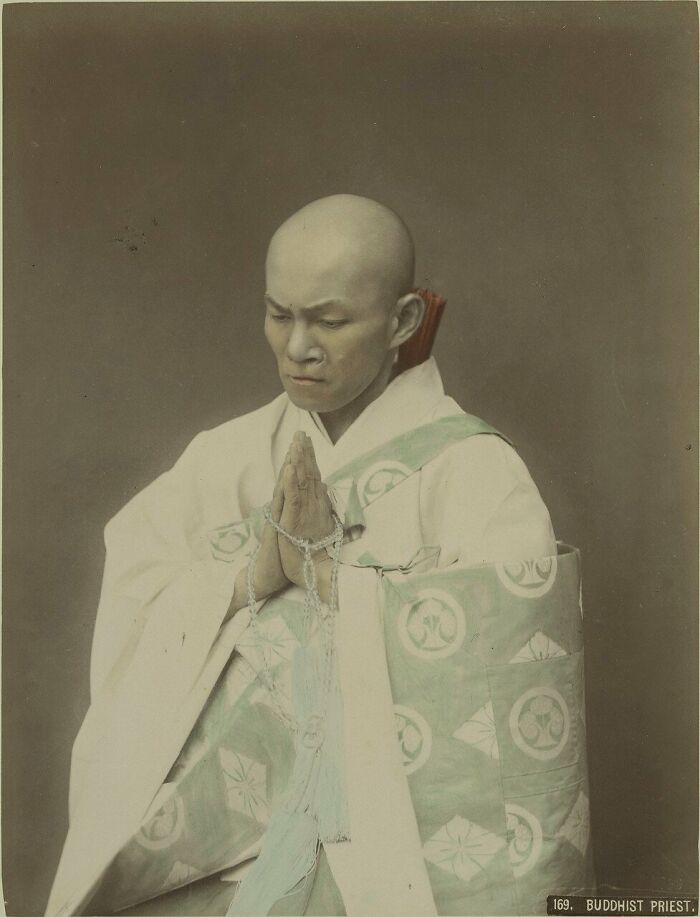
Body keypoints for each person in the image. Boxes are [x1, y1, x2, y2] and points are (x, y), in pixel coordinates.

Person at [47, 195, 593, 917]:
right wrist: (254, 573)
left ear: (402, 322)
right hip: (212, 838)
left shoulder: (476, 471)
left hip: (393, 841)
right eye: (280, 314)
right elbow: (138, 589)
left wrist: (331, 579)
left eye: (329, 320)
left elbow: (514, 665)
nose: (297, 345)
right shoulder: (226, 456)